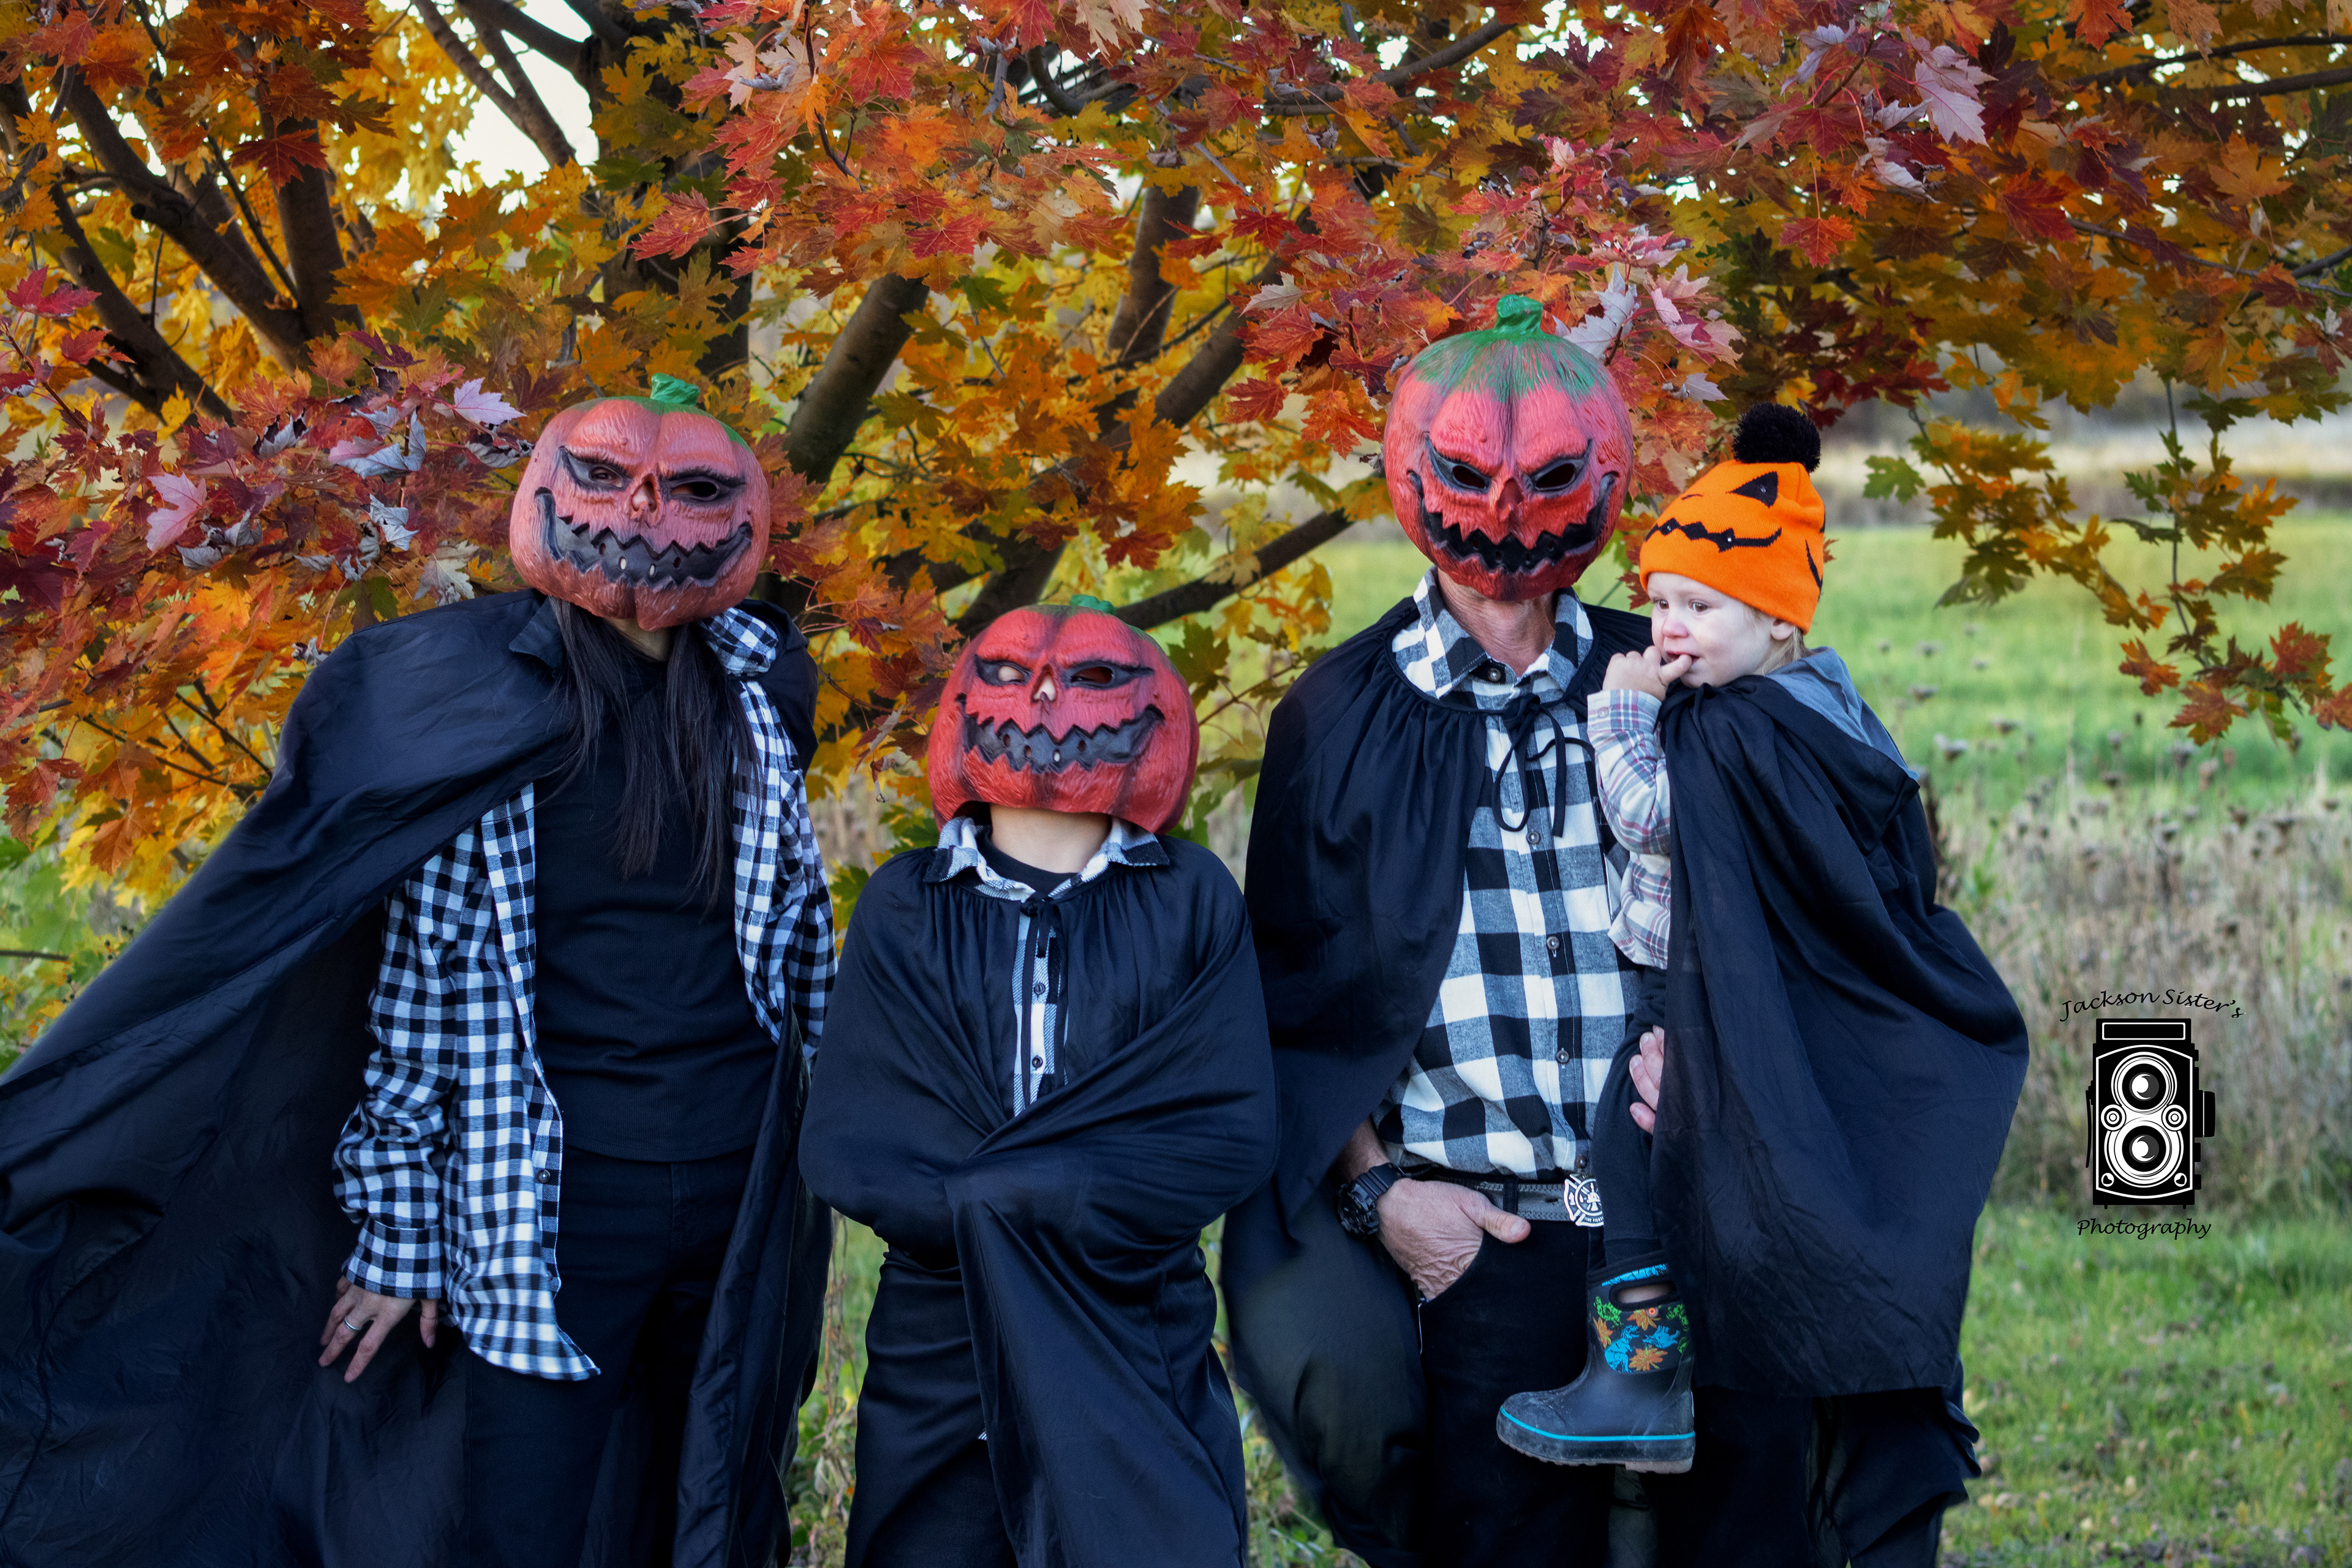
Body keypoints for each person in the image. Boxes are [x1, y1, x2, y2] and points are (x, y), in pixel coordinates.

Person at [0, 377, 836, 1567]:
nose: (646, 510)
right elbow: (419, 994)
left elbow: (796, 956)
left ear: (741, 512)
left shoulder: (757, 696)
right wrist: (401, 1233)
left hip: (737, 1180)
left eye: (695, 488)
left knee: (713, 1497)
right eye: (604, 477)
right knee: (521, 1522)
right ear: (548, 489)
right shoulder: (465, 698)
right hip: (550, 1203)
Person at [1220, 295, 1816, 1568]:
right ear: (1412, 472)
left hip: (1697, 1214)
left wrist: (1735, 1060)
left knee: (1748, 1537)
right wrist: (1384, 1196)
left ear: (1604, 475)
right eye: (1468, 474)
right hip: (1486, 1238)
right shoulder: (1338, 715)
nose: (1503, 509)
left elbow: (1799, 898)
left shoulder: (1677, 677)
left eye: (1546, 477)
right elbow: (1295, 999)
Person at [1496, 404, 2030, 1566]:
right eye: (1660, 604)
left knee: (1622, 1151)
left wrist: (1622, 711)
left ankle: (1641, 1374)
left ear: (1778, 615)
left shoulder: (1733, 733)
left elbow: (1648, 816)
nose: (1669, 629)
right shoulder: (1822, 708)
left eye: (1700, 608)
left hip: (1696, 998)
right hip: (1757, 1006)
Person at [799, 601, 1276, 1568]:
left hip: (1131, 1319)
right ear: (965, 703)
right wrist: (1028, 1197)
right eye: (1013, 676)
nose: (1050, 697)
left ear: (1150, 706)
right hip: (941, 1341)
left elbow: (1219, 1124)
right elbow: (860, 1136)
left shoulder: (1191, 901)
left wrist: (1004, 1190)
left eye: (1093, 678)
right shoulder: (903, 907)